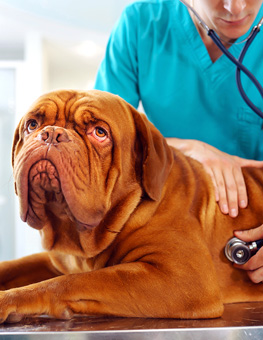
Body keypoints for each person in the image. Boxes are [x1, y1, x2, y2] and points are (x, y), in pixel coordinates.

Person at [94, 0, 263, 281]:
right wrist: (186, 150)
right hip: (167, 235)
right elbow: (102, 138)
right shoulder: (141, 24)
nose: (235, 7)